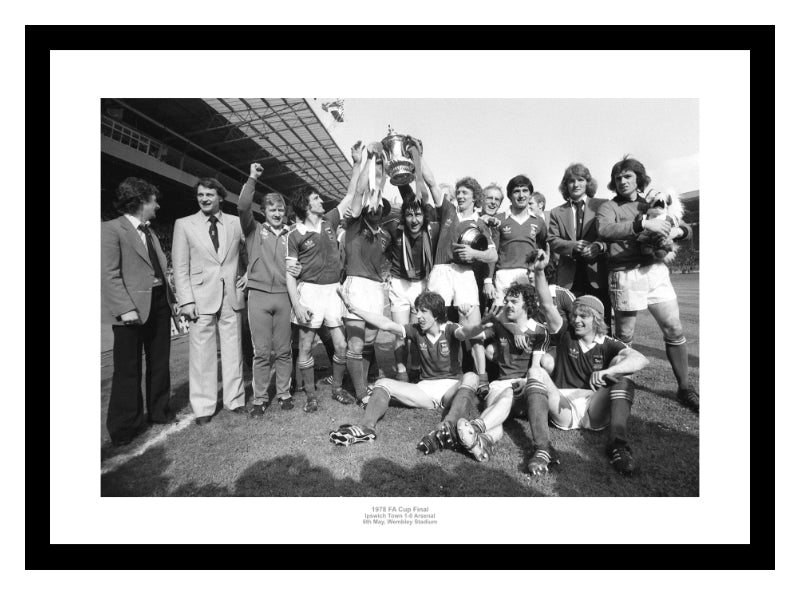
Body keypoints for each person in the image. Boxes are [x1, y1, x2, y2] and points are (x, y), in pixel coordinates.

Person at [526, 245, 649, 476]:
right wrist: (540, 272)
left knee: (623, 374)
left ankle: (618, 446)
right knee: (535, 373)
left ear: (597, 319)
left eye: (584, 316)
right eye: (575, 315)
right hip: (563, 405)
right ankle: (543, 448)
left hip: (594, 408)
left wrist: (606, 373)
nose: (577, 321)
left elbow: (640, 359)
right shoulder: (565, 334)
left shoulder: (608, 342)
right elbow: (546, 305)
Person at [596, 156, 698, 413]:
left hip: (655, 271)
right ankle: (620, 389)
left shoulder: (651, 201)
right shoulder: (610, 207)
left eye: (628, 176)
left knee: (674, 328)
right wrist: (643, 223)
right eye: (618, 177)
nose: (622, 181)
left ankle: (685, 387)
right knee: (625, 336)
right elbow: (605, 230)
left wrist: (677, 231)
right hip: (625, 273)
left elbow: (684, 226)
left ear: (638, 178)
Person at [329, 290, 484, 447]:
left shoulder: (451, 329)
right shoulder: (415, 329)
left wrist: (482, 324)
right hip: (425, 390)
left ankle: (448, 427)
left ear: (436, 314)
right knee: (382, 383)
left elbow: (466, 332)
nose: (418, 316)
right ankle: (366, 427)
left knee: (471, 376)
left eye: (424, 311)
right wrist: (355, 310)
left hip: (450, 389)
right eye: (417, 311)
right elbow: (386, 324)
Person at [285, 143, 364, 413]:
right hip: (309, 292)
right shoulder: (293, 235)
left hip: (333, 291)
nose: (322, 201)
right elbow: (290, 275)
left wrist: (356, 164)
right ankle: (309, 394)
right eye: (317, 199)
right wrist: (296, 304)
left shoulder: (329, 222)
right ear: (306, 205)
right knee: (305, 344)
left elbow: (351, 193)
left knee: (340, 345)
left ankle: (337, 389)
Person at [102, 177, 176, 446]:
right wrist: (125, 308)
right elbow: (108, 274)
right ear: (142, 200)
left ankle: (159, 411)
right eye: (154, 200)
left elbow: (158, 270)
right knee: (127, 369)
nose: (157, 206)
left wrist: (171, 299)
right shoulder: (111, 229)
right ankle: (125, 426)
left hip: (159, 304)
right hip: (130, 310)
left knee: (159, 362)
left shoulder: (151, 232)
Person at [172, 178, 246, 425]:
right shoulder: (183, 224)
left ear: (221, 197)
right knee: (202, 353)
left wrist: (247, 275)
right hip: (199, 298)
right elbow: (180, 267)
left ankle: (234, 400)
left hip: (231, 295)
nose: (204, 199)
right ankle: (203, 407)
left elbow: (254, 250)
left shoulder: (236, 223)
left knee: (233, 350)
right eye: (200, 195)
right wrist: (186, 301)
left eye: (209, 195)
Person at [453, 283, 550, 462]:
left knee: (506, 396)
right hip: (500, 384)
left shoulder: (539, 331)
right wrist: (476, 322)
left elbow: (535, 368)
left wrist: (525, 383)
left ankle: (475, 428)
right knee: (495, 411)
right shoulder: (500, 326)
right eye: (507, 301)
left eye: (514, 301)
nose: (508, 305)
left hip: (524, 386)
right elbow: (473, 336)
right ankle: (482, 441)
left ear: (527, 304)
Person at [238, 163, 299, 414]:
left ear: (285, 212)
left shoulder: (292, 234)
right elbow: (242, 205)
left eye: (280, 209)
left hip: (284, 296)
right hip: (259, 296)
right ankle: (260, 399)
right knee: (261, 352)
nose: (276, 212)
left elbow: (300, 261)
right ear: (263, 211)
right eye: (272, 208)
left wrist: (299, 270)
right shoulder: (253, 230)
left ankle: (284, 393)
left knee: (284, 350)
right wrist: (252, 178)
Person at [427, 176, 497, 394]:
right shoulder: (448, 211)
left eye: (465, 192)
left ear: (475, 197)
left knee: (472, 325)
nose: (460, 195)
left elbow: (492, 254)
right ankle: (442, 372)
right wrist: (415, 153)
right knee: (436, 324)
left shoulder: (480, 222)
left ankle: (482, 379)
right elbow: (431, 182)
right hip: (441, 271)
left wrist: (474, 253)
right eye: (458, 192)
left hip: (465, 274)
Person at [385, 164, 441, 382]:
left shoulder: (432, 230)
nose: (414, 220)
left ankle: (417, 368)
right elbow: (378, 247)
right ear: (403, 217)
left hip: (421, 285)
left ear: (424, 216)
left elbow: (425, 194)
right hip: (399, 284)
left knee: (419, 332)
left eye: (418, 214)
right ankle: (401, 370)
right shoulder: (393, 228)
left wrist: (416, 162)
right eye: (409, 215)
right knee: (400, 332)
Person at [548, 163, 611, 329]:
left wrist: (598, 246)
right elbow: (552, 240)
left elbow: (610, 235)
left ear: (588, 183)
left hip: (597, 273)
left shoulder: (602, 205)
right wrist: (573, 246)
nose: (576, 184)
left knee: (601, 323)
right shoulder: (556, 212)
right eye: (571, 181)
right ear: (565, 185)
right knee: (571, 323)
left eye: (580, 180)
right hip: (569, 276)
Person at [484, 175, 548, 313]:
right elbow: (492, 252)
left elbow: (544, 248)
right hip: (504, 275)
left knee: (528, 314)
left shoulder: (538, 222)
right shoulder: (498, 220)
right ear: (509, 195)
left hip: (528, 274)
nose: (521, 195)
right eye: (516, 191)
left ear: (530, 195)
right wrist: (488, 280)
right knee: (502, 315)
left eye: (525, 191)